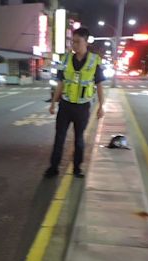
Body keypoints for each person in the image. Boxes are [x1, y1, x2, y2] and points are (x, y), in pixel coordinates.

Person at [44, 27, 105, 178]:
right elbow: (61, 83)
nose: (74, 44)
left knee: (79, 139)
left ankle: (77, 168)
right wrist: (53, 103)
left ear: (86, 42)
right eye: (73, 41)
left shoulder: (94, 61)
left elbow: (99, 85)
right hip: (65, 105)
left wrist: (101, 107)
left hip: (83, 107)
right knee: (59, 137)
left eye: (78, 42)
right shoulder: (65, 59)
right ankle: (53, 168)